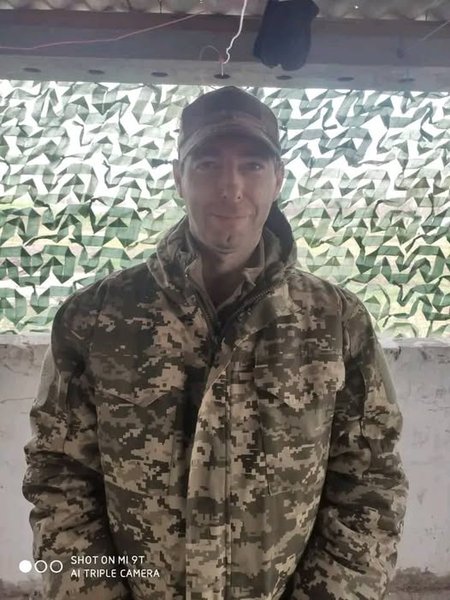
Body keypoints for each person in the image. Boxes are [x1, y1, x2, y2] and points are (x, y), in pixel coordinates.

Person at [23, 85, 408, 600]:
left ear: (278, 179)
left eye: (252, 165)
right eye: (207, 165)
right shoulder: (95, 319)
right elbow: (60, 476)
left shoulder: (335, 321)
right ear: (178, 177)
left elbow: (370, 480)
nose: (231, 187)